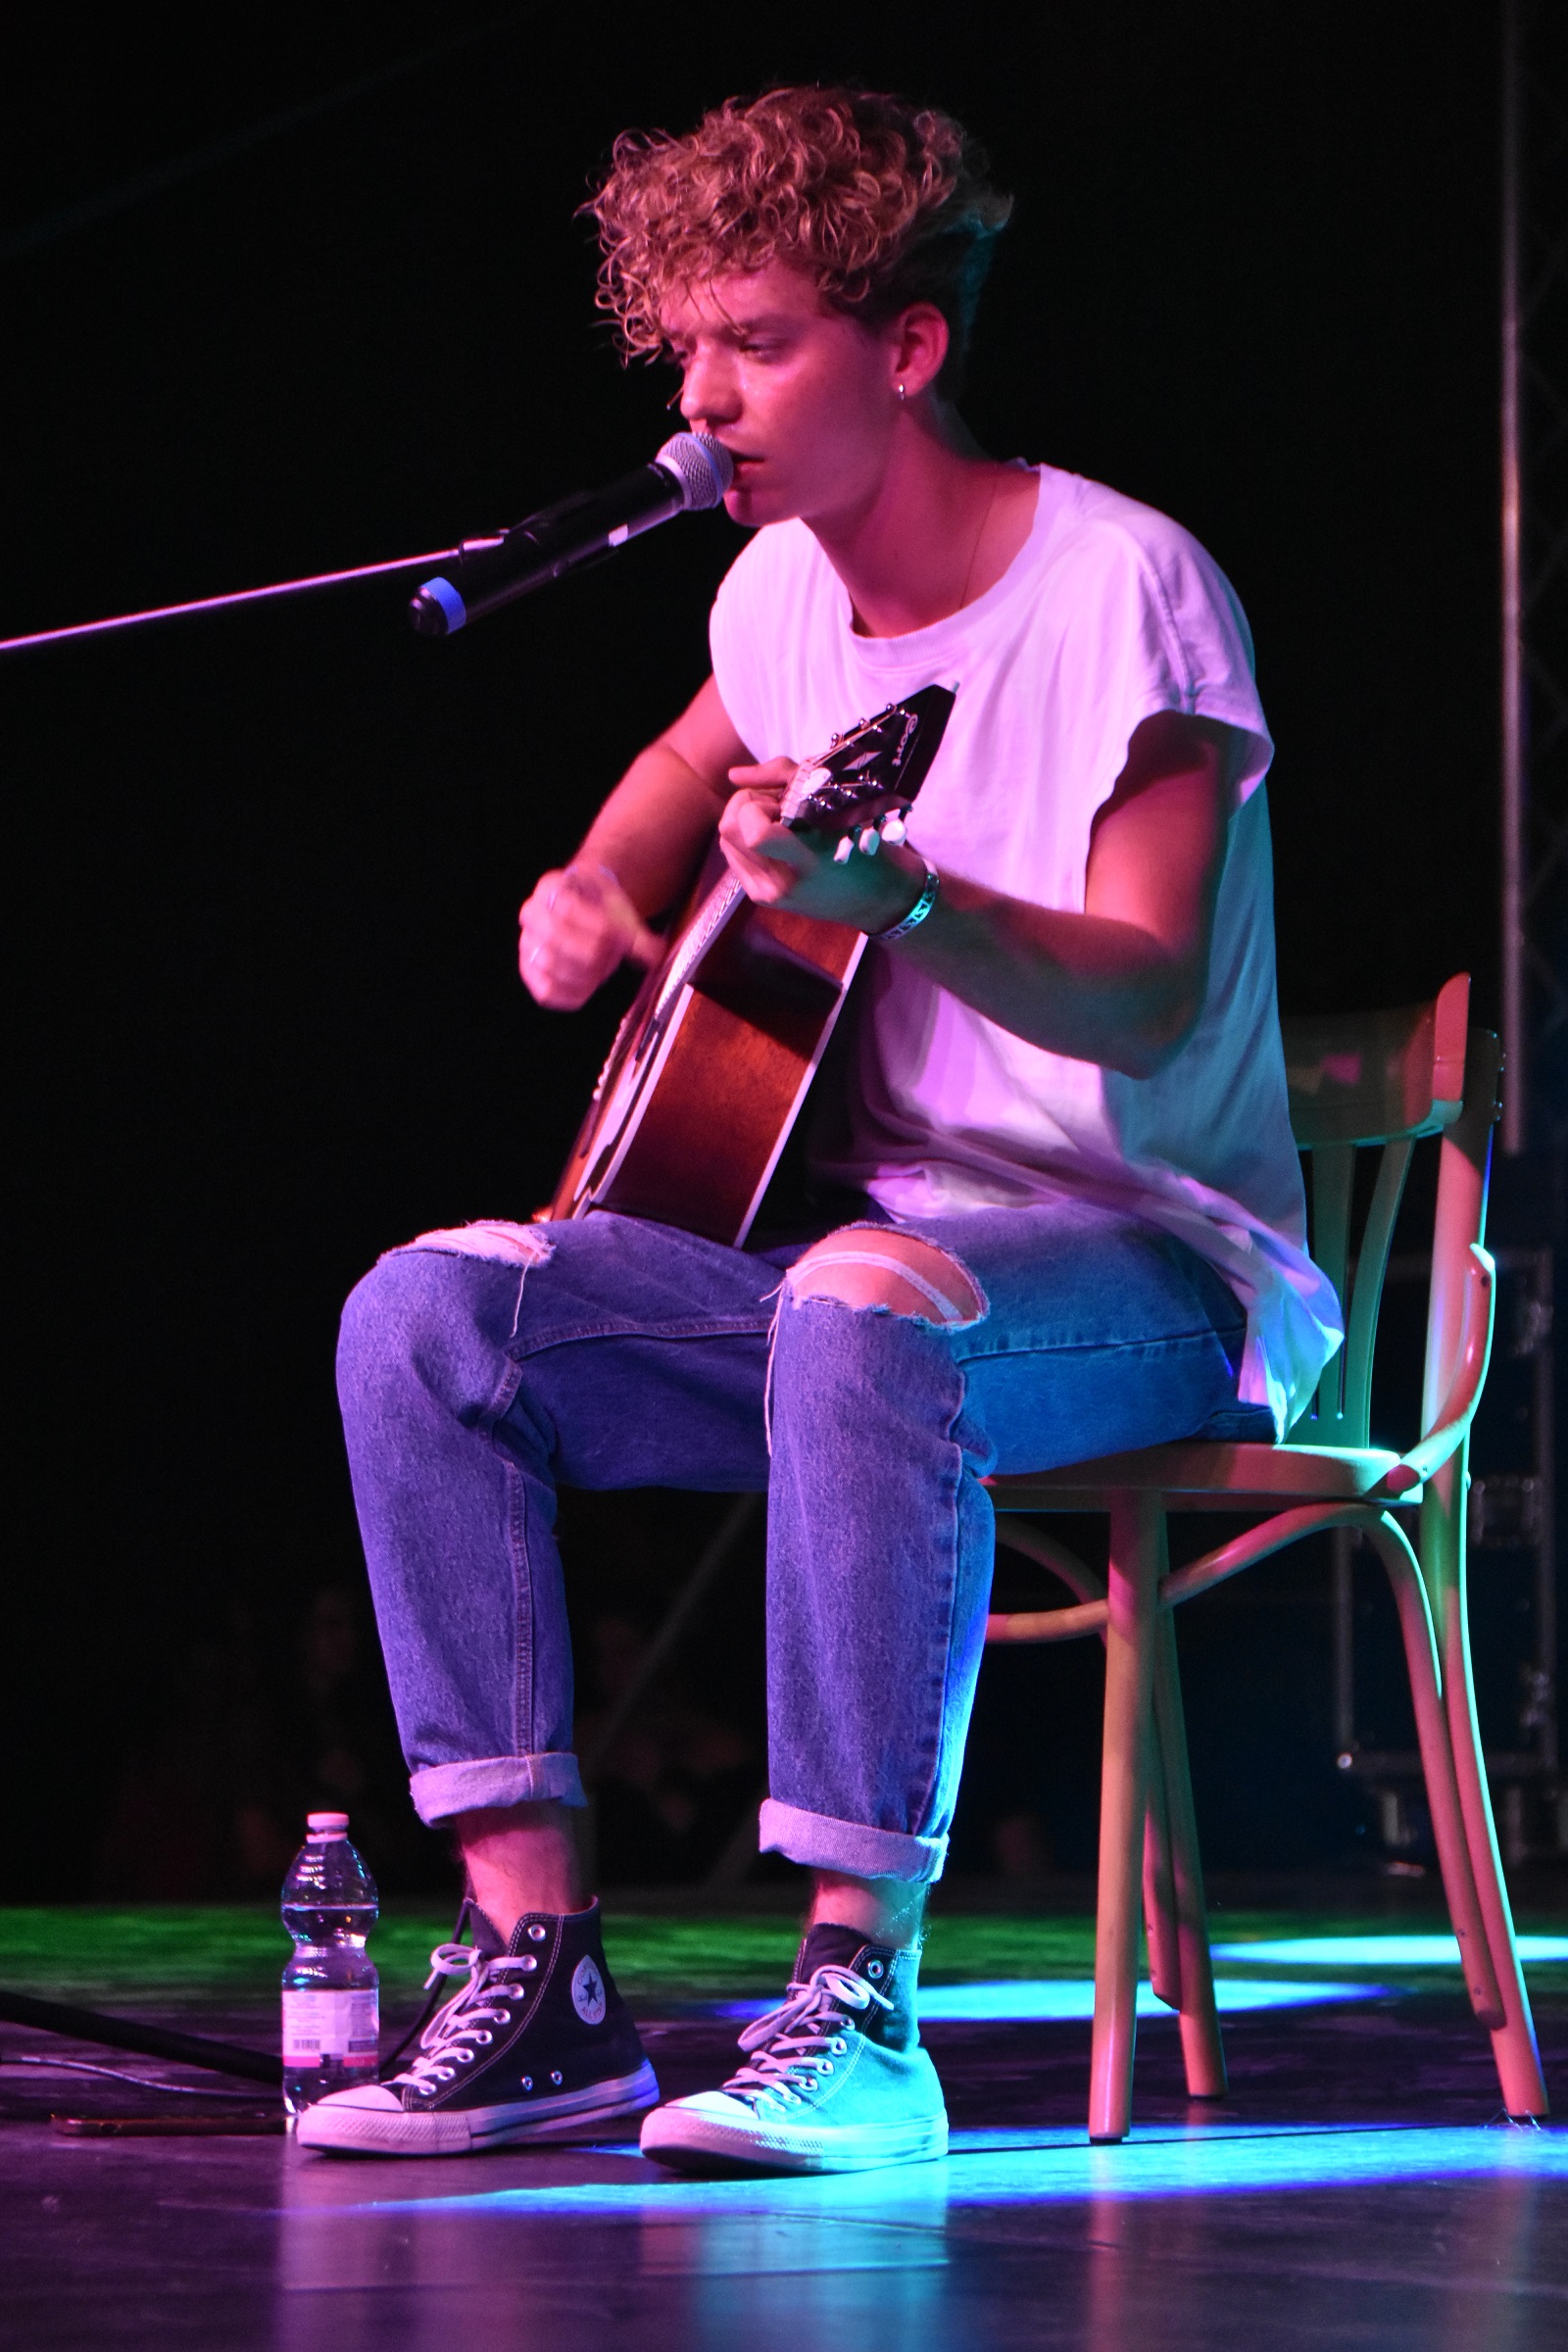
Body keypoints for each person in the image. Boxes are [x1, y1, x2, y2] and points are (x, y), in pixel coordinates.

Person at [297, 86, 1340, 2167]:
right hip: (856, 1273)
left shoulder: (1125, 588)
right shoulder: (774, 596)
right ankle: (538, 1972)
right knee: (430, 1314)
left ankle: (860, 2006)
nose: (703, 401)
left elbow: (1143, 989)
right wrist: (598, 888)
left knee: (862, 1307)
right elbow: (682, 760)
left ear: (909, 346)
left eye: (756, 346)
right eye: (685, 349)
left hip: (1156, 1268)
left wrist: (911, 907)